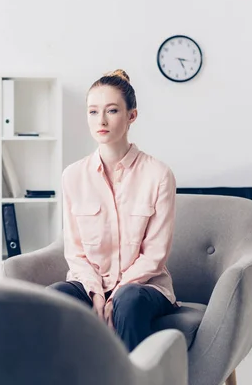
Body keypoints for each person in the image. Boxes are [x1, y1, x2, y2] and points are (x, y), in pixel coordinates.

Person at [48, 69, 179, 352]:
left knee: (128, 299)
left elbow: (155, 255)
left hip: (144, 287)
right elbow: (75, 251)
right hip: (91, 283)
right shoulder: (73, 175)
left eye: (112, 110)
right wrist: (95, 292)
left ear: (131, 115)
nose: (101, 121)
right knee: (53, 297)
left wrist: (115, 293)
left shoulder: (158, 175)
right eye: (93, 112)